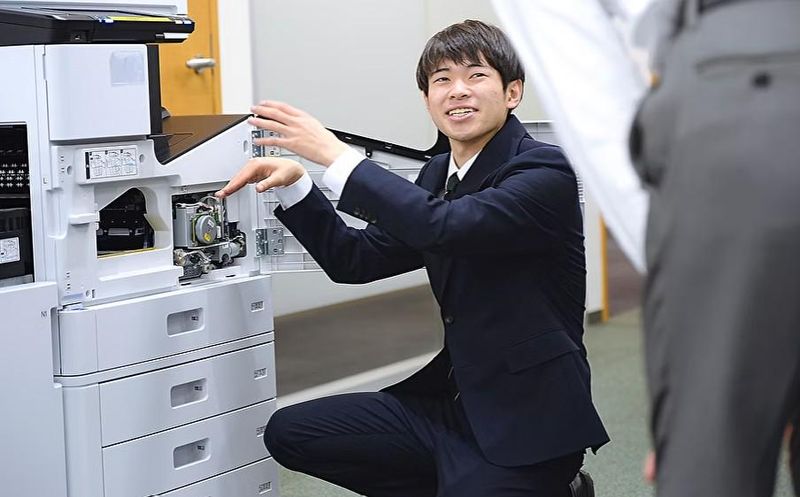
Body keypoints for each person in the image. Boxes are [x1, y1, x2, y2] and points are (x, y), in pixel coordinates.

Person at [216, 19, 608, 497]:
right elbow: (356, 260)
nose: (457, 90)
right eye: (442, 79)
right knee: (291, 431)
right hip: (452, 405)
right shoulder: (439, 173)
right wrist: (299, 185)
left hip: (529, 423)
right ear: (427, 100)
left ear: (513, 93)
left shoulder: (543, 170)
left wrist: (336, 156)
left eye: (476, 75)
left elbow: (447, 226)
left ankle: (565, 488)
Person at [493, 0, 800, 496]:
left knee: (715, 465)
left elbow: (581, 71)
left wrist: (682, 266)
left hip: (736, 88)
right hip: (740, 77)